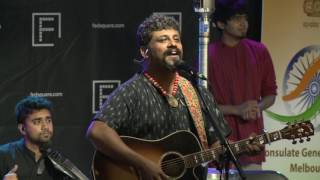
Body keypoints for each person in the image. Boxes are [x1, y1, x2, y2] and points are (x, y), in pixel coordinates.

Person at [86, 14, 234, 180]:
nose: (173, 44)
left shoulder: (195, 91)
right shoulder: (133, 91)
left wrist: (237, 149)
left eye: (176, 39)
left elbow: (216, 145)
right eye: (163, 39)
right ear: (145, 51)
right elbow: (97, 131)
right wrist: (142, 164)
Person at [208, 0, 277, 170]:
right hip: (219, 141)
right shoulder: (207, 55)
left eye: (245, 18)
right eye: (237, 19)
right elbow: (201, 106)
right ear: (220, 23)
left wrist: (258, 107)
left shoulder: (259, 51)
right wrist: (236, 109)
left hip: (252, 141)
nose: (243, 23)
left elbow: (271, 94)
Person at [0, 96, 76, 180]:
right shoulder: (4, 154)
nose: (45, 126)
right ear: (22, 128)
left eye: (48, 120)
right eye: (37, 122)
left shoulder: (58, 161)